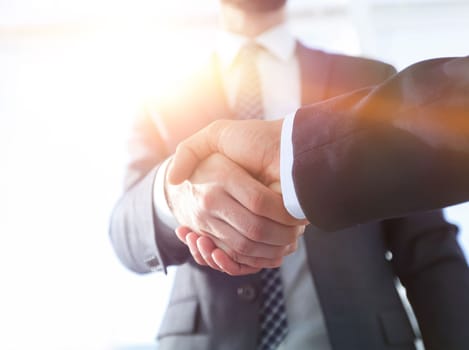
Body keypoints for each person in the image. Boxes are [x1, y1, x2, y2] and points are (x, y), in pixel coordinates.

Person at [109, 1, 469, 349]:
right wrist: (172, 195)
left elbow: (427, 246)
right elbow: (126, 230)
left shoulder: (369, 78)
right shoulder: (162, 95)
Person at [168, 56, 469, 231]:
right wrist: (171, 193)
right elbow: (124, 223)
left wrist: (286, 152)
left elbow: (426, 240)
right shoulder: (168, 90)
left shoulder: (367, 74)